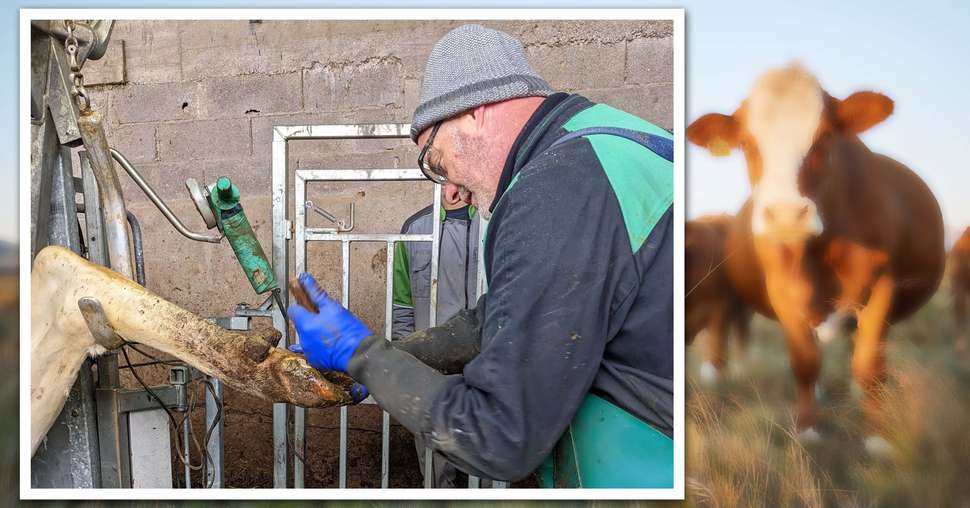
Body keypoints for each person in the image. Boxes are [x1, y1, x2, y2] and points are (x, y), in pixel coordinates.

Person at [287, 23, 674, 487]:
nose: (449, 188)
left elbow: (499, 434)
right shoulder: (607, 144)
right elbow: (497, 318)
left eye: (435, 161)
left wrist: (363, 355)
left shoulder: (554, 189)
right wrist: (390, 357)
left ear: (474, 112)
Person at [392, 185, 482, 487]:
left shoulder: (491, 223)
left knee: (484, 457)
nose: (453, 186)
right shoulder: (415, 228)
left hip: (485, 359)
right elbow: (402, 303)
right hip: (432, 362)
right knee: (436, 459)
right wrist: (404, 358)